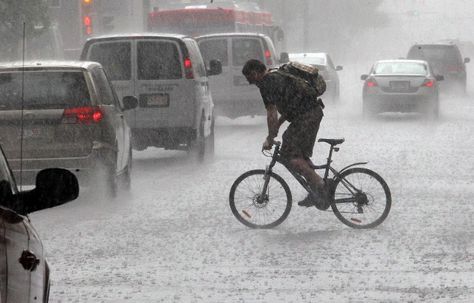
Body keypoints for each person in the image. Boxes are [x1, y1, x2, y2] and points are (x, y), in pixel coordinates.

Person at [242, 59, 330, 209]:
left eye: (250, 79)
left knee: (291, 157)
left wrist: (270, 138)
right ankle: (316, 190)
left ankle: (322, 187)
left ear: (255, 73)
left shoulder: (266, 83)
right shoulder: (277, 75)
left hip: (306, 116)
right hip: (312, 113)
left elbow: (271, 113)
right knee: (298, 155)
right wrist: (276, 128)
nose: (251, 83)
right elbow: (290, 106)